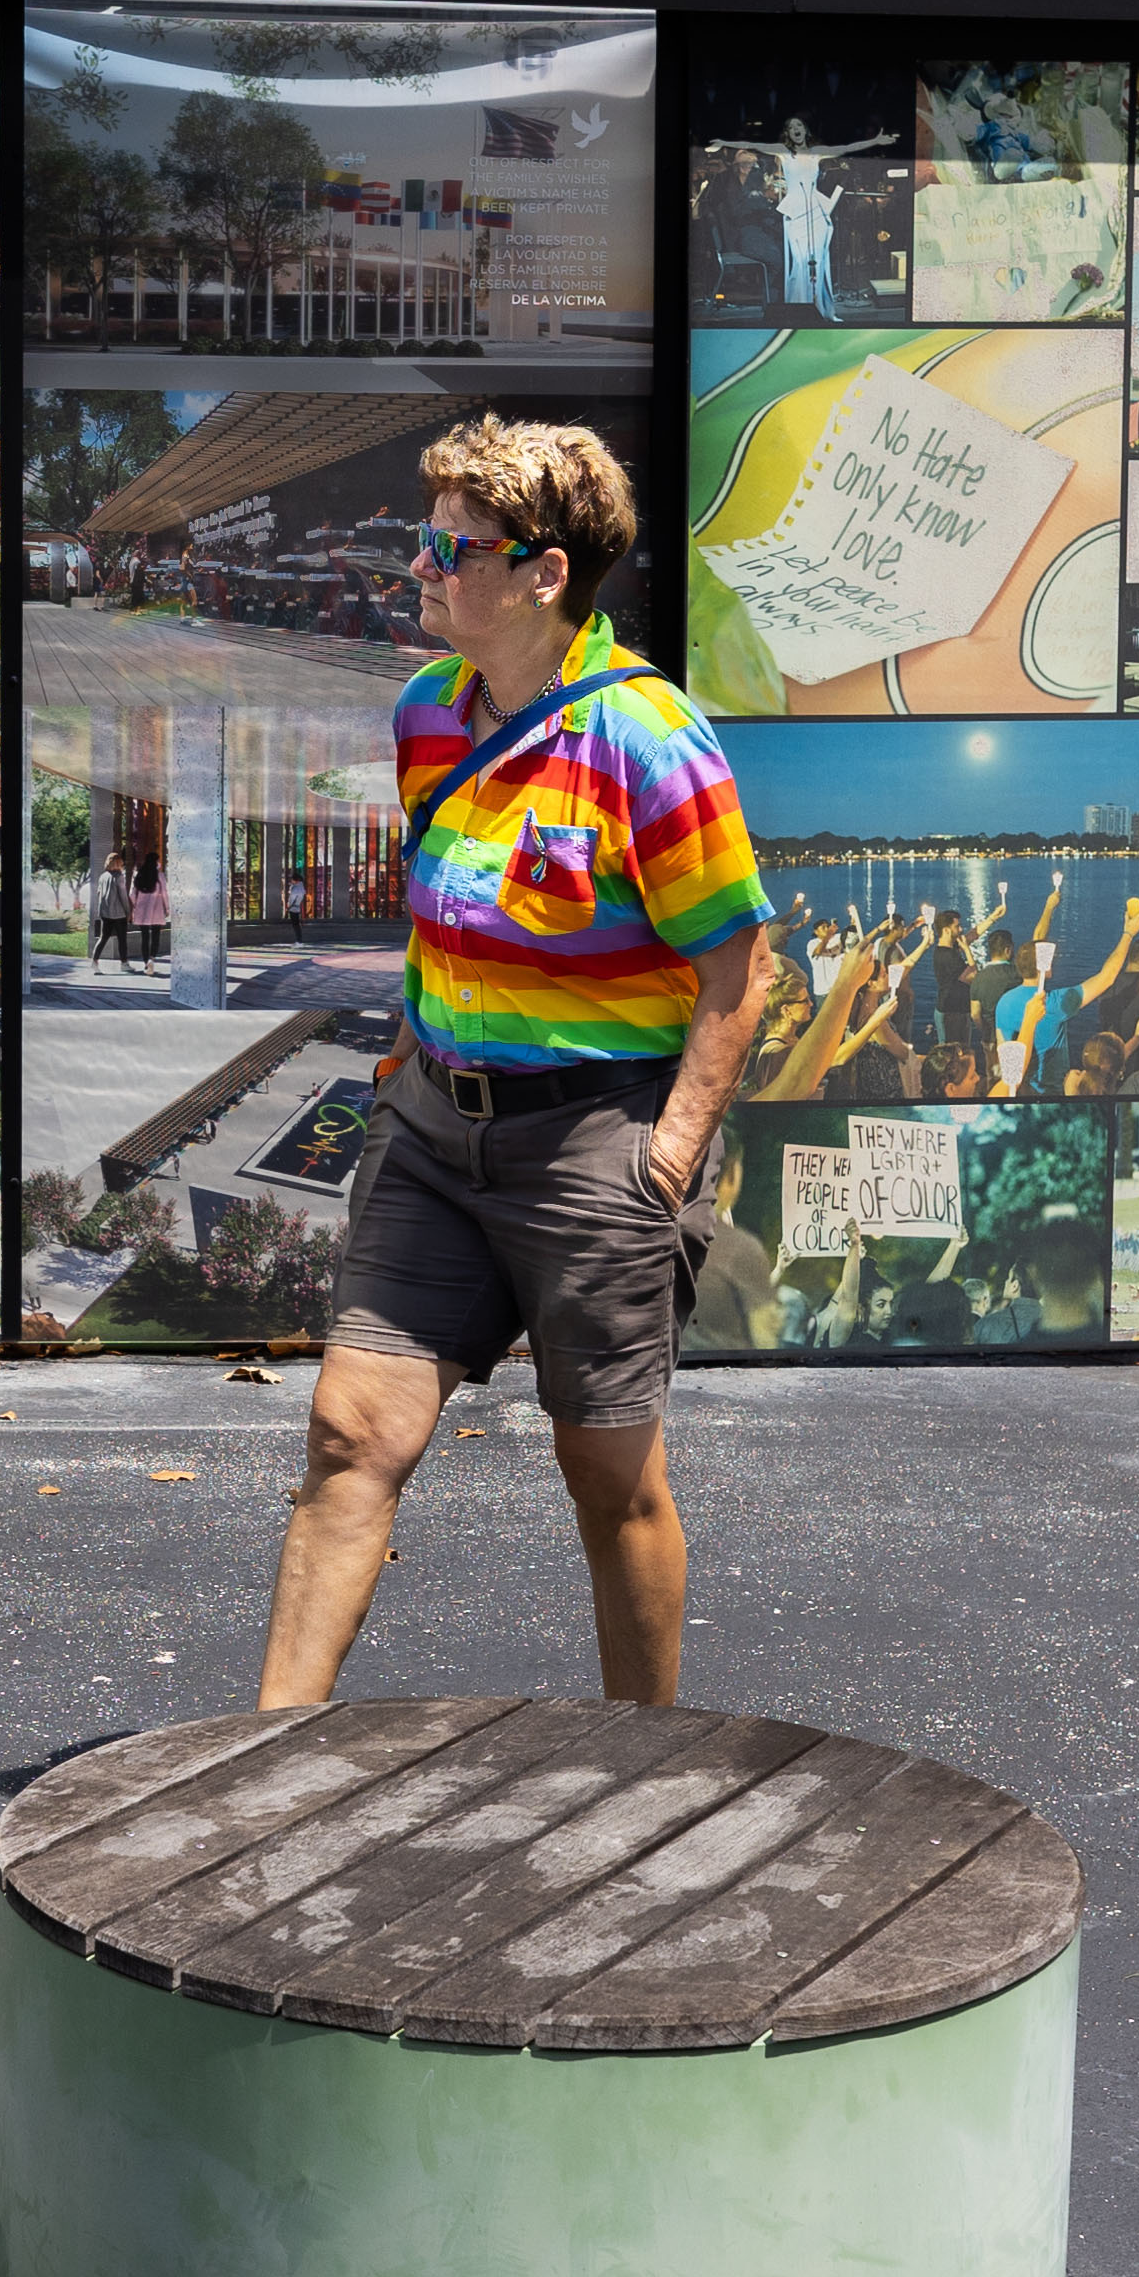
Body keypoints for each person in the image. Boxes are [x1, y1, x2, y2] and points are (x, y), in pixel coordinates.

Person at [259, 418, 774, 1714]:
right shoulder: (428, 717)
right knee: (348, 1435)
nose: (421, 569)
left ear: (545, 573)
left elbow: (739, 969)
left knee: (611, 1483)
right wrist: (404, 1063)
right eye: (422, 541)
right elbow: (445, 920)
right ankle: (259, 1762)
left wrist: (669, 1149)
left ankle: (642, 1761)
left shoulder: (650, 742)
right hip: (435, 1135)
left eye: (453, 547)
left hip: (590, 1144)